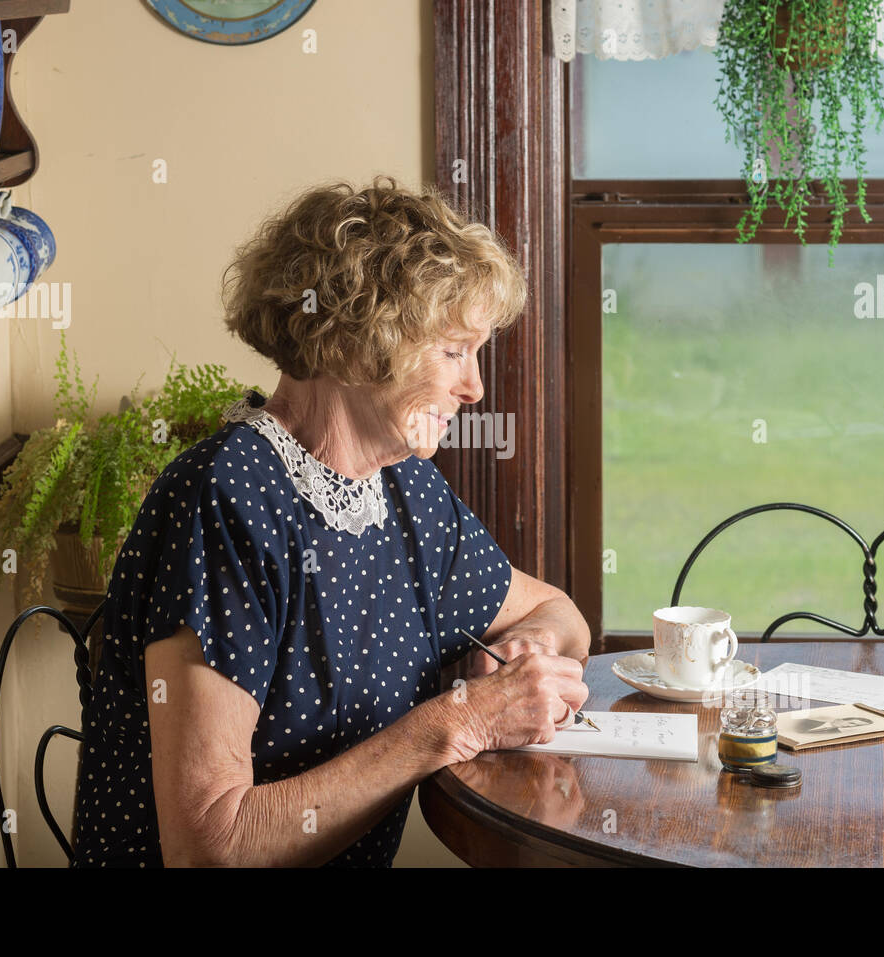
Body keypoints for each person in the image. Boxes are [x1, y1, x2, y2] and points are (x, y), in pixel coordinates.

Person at [72, 175, 590, 867]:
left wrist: (525, 647)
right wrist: (460, 721)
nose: (476, 387)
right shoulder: (228, 500)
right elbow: (208, 845)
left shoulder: (405, 492)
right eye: (452, 350)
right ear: (356, 344)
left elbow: (561, 613)